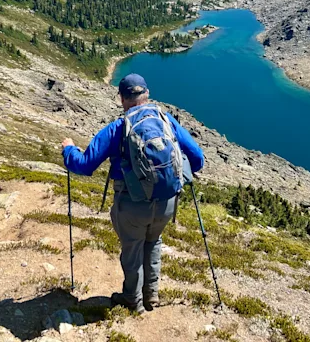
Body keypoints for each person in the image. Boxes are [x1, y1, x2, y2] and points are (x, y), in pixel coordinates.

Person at [61, 73, 204, 314]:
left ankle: (133, 300)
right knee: (153, 242)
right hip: (167, 202)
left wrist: (68, 150)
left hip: (132, 203)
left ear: (122, 98)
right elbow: (197, 159)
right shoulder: (166, 120)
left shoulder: (118, 128)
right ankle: (152, 295)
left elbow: (84, 165)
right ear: (147, 94)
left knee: (132, 250)